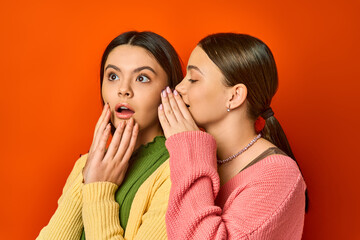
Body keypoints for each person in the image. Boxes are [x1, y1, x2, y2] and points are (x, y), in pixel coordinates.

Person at [158, 33, 307, 239]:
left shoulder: (279, 175)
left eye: (193, 79)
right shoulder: (197, 157)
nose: (179, 88)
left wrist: (186, 146)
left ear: (234, 96)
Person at [37, 31, 183, 240]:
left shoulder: (177, 171)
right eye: (113, 76)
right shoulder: (87, 164)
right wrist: (88, 176)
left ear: (169, 91)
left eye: (142, 78)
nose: (123, 90)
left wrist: (98, 189)